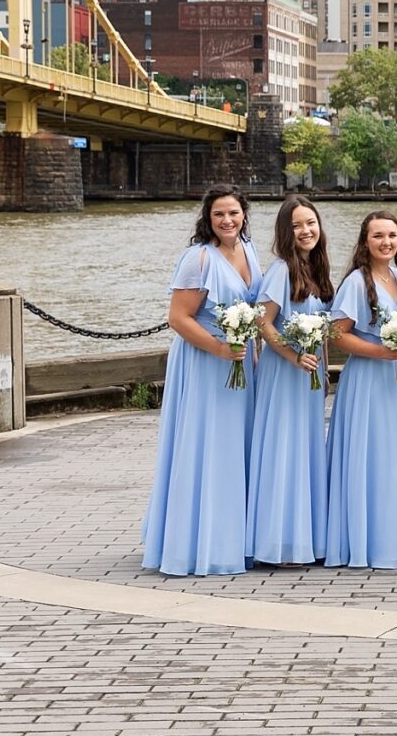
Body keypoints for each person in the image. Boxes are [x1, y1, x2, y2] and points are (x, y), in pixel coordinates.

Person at [140, 186, 261, 578]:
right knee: (207, 446)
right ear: (207, 220)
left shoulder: (251, 250)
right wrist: (219, 348)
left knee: (236, 448)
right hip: (205, 363)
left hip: (241, 362)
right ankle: (197, 542)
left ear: (244, 214)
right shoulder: (198, 258)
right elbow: (179, 318)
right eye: (219, 215)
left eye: (233, 213)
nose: (227, 221)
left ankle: (235, 537)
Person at [322, 211, 397, 570]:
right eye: (378, 236)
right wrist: (380, 350)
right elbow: (337, 333)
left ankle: (390, 533)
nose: (386, 242)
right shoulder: (358, 282)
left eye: (392, 235)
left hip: (395, 378)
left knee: (392, 456)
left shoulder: (396, 276)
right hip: (367, 379)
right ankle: (366, 541)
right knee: (373, 456)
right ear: (365, 241)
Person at [247, 195, 333, 568]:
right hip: (285, 375)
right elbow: (262, 322)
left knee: (305, 451)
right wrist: (293, 355)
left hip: (309, 377)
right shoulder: (282, 270)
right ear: (286, 231)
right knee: (284, 452)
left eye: (310, 223)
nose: (305, 231)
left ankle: (303, 539)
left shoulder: (316, 269)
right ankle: (278, 545)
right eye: (297, 225)